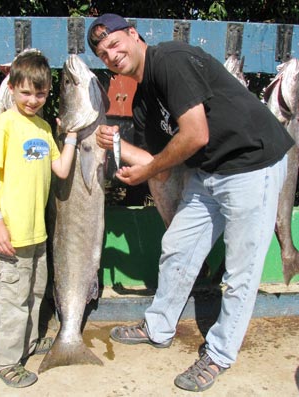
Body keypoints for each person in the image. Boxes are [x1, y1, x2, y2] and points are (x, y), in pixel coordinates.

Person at [87, 14, 294, 392]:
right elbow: (163, 167)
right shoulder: (144, 98)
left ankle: (218, 354)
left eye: (115, 44)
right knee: (178, 247)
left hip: (253, 163)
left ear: (133, 36)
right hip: (209, 170)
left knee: (241, 273)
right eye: (103, 54)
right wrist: (117, 147)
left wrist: (147, 167)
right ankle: (159, 326)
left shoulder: (170, 60)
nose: (112, 55)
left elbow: (194, 134)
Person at [0, 49, 78, 388]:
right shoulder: (6, 123)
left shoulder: (42, 128)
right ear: (12, 90)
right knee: (12, 301)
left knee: (34, 295)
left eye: (40, 93)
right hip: (11, 234)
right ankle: (4, 362)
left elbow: (62, 169)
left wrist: (71, 136)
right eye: (25, 92)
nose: (33, 99)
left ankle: (24, 347)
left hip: (38, 236)